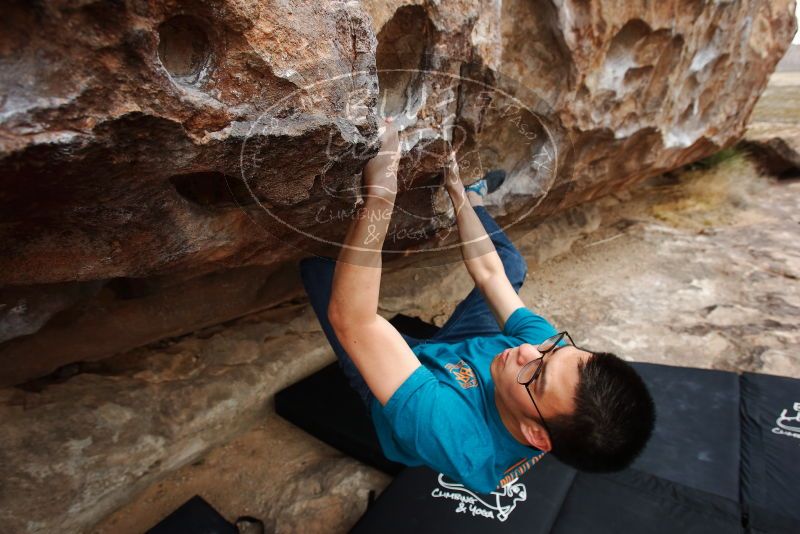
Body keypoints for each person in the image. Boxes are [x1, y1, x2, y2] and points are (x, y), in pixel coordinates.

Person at [300, 117, 656, 494]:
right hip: (466, 352)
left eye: (536, 373)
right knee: (510, 266)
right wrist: (455, 192)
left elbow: (354, 320)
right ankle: (474, 196)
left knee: (321, 273)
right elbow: (490, 274)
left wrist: (383, 191)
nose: (524, 350)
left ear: (536, 434)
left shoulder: (456, 437)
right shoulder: (546, 358)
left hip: (421, 383)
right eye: (554, 349)